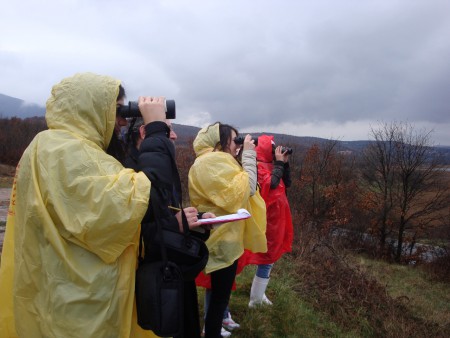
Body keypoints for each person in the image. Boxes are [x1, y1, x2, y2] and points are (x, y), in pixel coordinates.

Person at [0, 72, 170, 338]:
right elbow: (140, 201)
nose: (123, 120)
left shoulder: (55, 147)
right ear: (91, 108)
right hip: (77, 309)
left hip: (62, 293)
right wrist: (157, 131)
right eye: (117, 110)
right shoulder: (64, 151)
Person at [120, 115, 214, 338]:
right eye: (167, 130)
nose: (174, 135)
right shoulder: (127, 172)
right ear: (145, 132)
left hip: (170, 268)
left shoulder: (158, 166)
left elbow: (163, 212)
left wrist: (196, 220)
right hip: (146, 280)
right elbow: (131, 231)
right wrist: (175, 224)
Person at [188, 122, 267, 338]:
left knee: (216, 296)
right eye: (235, 140)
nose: (237, 145)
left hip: (216, 234)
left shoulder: (207, 162)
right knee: (219, 299)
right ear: (219, 142)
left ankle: (210, 329)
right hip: (221, 239)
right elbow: (246, 189)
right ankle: (211, 332)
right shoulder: (212, 162)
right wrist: (250, 156)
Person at [241, 134, 294, 307]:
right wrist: (278, 164)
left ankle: (259, 294)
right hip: (267, 222)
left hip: (276, 220)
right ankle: (255, 300)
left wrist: (284, 164)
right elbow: (270, 185)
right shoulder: (259, 167)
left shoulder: (270, 165)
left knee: (269, 260)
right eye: (273, 149)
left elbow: (287, 183)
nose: (275, 152)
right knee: (266, 258)